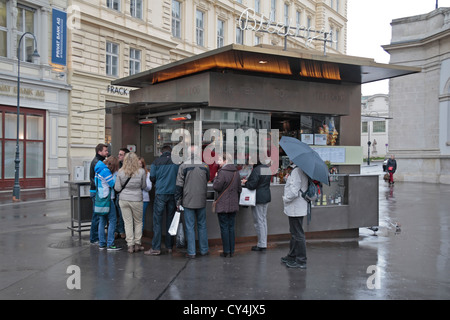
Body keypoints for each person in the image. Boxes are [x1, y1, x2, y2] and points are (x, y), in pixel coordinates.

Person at [175, 146, 210, 258]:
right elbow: (207, 179)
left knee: (189, 227)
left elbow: (179, 186)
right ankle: (204, 250)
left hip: (188, 200)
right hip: (201, 200)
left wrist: (178, 201)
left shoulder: (183, 166)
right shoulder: (205, 166)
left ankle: (191, 252)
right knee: (202, 225)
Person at [145, 145, 179, 256]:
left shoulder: (156, 162)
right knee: (170, 219)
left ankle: (156, 248)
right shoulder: (176, 162)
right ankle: (169, 246)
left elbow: (152, 177)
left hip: (160, 193)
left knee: (157, 221)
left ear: (161, 152)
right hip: (173, 193)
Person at [114, 152, 147, 253]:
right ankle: (137, 244)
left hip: (124, 199)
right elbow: (143, 186)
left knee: (127, 222)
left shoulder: (120, 171)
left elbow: (117, 188)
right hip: (137, 199)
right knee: (138, 222)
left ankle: (130, 246)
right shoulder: (141, 172)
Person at [213, 153, 242, 257]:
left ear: (225, 161)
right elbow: (239, 189)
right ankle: (232, 250)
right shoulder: (236, 172)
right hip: (233, 204)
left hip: (223, 204)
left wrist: (215, 178)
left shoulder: (222, 173)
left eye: (220, 160)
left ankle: (226, 251)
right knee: (231, 227)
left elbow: (216, 187)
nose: (218, 162)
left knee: (224, 227)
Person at [281, 163, 308, 269]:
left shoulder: (297, 171)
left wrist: (285, 199)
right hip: (297, 207)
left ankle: (301, 260)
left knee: (298, 233)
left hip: (295, 207)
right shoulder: (301, 169)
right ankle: (292, 256)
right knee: (294, 232)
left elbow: (293, 192)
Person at [242, 160, 271, 252]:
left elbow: (252, 185)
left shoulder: (256, 170)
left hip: (258, 198)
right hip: (265, 196)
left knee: (258, 221)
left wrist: (245, 182)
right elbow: (263, 182)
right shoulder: (266, 168)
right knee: (263, 220)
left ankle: (262, 245)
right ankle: (263, 242)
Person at [95, 156, 121, 251]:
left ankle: (102, 243)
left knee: (102, 221)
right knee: (113, 220)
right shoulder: (106, 171)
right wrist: (115, 176)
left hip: (101, 198)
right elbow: (113, 184)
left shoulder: (99, 169)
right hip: (108, 199)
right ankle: (110, 244)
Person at [89, 143, 109, 244]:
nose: (107, 152)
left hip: (95, 191)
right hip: (97, 192)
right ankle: (94, 238)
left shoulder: (97, 161)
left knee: (97, 215)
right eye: (105, 151)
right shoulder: (98, 163)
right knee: (97, 216)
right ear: (99, 152)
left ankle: (94, 237)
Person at [114, 148, 130, 239]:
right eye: (118, 154)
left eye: (121, 154)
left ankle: (121, 231)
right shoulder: (117, 166)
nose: (119, 156)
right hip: (117, 192)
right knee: (117, 214)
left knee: (123, 214)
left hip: (124, 194)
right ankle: (118, 230)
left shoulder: (129, 167)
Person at [138, 157, 152, 232]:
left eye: (140, 164)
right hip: (134, 198)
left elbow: (149, 187)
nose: (138, 165)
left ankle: (140, 235)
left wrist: (142, 185)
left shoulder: (147, 174)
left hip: (144, 198)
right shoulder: (133, 173)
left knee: (141, 217)